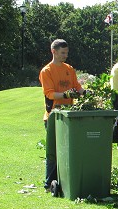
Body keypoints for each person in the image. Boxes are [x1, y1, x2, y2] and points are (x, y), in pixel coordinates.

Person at [39, 39, 87, 194]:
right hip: (53, 114)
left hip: (70, 114)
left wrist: (85, 92)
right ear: (54, 51)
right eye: (62, 53)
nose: (65, 56)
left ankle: (65, 181)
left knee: (68, 150)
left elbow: (77, 86)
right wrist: (66, 94)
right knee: (53, 151)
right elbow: (49, 93)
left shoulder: (69, 69)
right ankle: (48, 184)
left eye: (66, 53)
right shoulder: (47, 71)